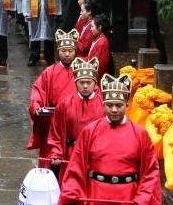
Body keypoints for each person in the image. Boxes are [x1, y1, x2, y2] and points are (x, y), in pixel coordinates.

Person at [58, 73, 161, 205]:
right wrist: (72, 194)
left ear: (126, 105)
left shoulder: (141, 134)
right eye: (109, 105)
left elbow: (150, 172)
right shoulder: (89, 131)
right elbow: (76, 168)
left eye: (118, 105)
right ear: (103, 105)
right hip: (96, 195)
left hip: (129, 197)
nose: (114, 110)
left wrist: (141, 199)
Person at [48, 57, 104, 183]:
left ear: (95, 83)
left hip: (96, 154)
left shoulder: (104, 105)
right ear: (75, 82)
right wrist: (56, 153)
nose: (85, 86)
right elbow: (56, 132)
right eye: (81, 82)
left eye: (89, 82)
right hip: (71, 153)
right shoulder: (65, 104)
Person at [27, 29, 78, 166]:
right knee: (50, 160)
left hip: (74, 121)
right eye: (63, 51)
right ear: (58, 51)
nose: (67, 54)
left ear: (75, 51)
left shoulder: (82, 73)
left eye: (70, 51)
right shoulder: (50, 72)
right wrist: (36, 106)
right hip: (52, 121)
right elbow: (38, 90)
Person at [23, 0, 62, 66]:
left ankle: (49, 58)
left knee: (49, 37)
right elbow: (27, 0)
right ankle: (34, 57)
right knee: (35, 37)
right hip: (36, 15)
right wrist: (27, 12)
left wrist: (58, 12)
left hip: (48, 15)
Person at [88, 14, 112, 79]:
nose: (90, 29)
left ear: (99, 27)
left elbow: (99, 66)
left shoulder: (102, 42)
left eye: (92, 26)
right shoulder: (98, 38)